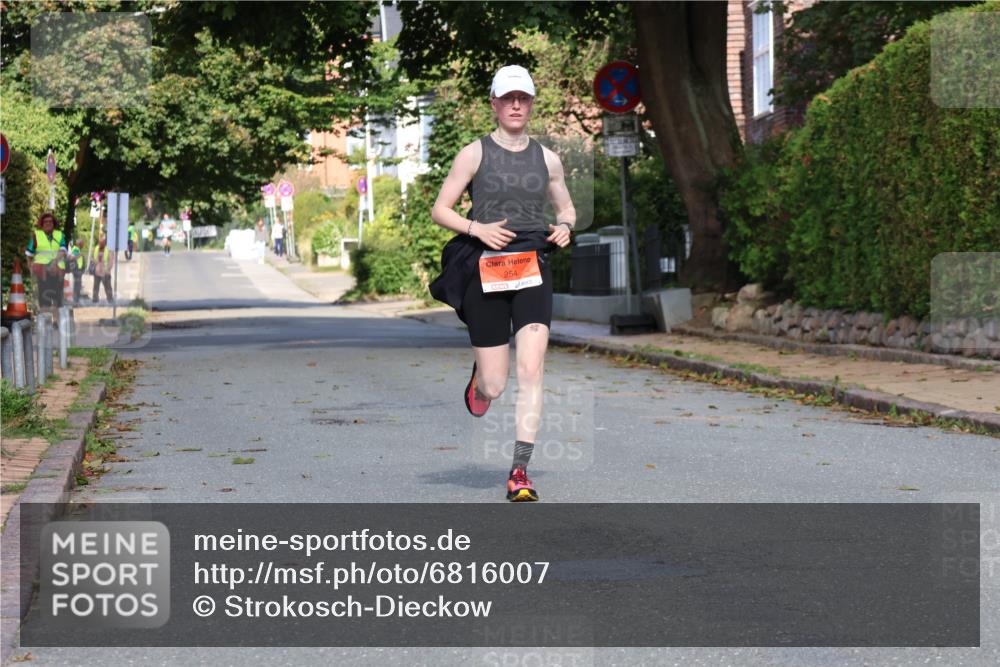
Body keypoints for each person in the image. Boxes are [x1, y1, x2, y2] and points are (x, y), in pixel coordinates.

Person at [430, 65, 574, 502]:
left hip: (532, 265)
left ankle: (519, 471)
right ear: (493, 103)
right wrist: (477, 229)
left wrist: (566, 227)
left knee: (531, 370)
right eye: (508, 98)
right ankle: (481, 380)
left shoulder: (549, 159)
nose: (516, 105)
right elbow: (441, 210)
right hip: (486, 266)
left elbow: (566, 208)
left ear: (530, 104)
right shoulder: (473, 154)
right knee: (497, 385)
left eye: (523, 98)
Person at [25, 212, 68, 315]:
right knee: (44, 297)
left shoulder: (59, 235)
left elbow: (63, 250)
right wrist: (30, 266)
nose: (48, 223)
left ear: (54, 223)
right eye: (45, 222)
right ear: (42, 223)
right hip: (42, 271)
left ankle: (56, 322)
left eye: (50, 221)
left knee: (58, 297)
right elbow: (29, 253)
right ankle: (45, 321)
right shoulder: (37, 235)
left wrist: (54, 262)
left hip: (57, 270)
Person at [91, 235, 114, 304]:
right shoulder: (96, 248)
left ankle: (110, 299)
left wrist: (108, 269)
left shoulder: (108, 250)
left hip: (105, 272)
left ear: (105, 243)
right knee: (96, 286)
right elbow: (92, 258)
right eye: (99, 242)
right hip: (97, 271)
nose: (100, 243)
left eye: (102, 242)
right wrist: (94, 263)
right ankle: (95, 298)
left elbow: (111, 261)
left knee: (108, 287)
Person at [69, 238, 86, 306]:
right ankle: (76, 302)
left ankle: (76, 301)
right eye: (82, 243)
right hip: (77, 270)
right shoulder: (76, 249)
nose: (83, 245)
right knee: (77, 287)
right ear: (80, 244)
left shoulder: (77, 249)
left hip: (78, 270)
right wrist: (80, 255)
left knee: (78, 286)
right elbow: (72, 258)